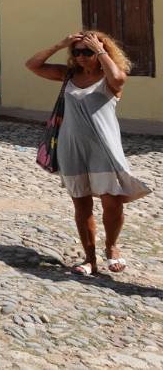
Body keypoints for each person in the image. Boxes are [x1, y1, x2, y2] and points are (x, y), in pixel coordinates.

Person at [25, 30, 151, 276]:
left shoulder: (109, 78)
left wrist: (101, 50)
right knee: (81, 205)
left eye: (87, 51)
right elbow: (33, 65)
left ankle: (112, 247)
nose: (81, 57)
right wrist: (61, 43)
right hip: (72, 147)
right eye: (77, 52)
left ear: (100, 52)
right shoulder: (69, 75)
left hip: (104, 148)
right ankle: (90, 259)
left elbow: (119, 78)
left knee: (112, 202)